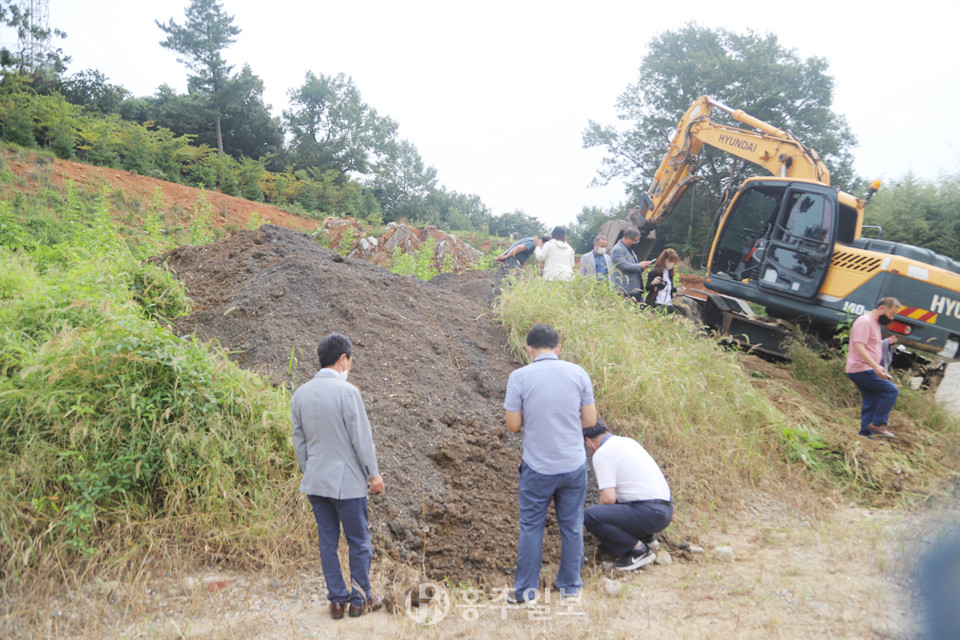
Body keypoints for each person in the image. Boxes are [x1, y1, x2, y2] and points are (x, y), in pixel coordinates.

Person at [292, 333, 386, 620]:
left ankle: (336, 600)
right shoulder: (348, 393)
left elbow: (300, 442)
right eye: (351, 361)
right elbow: (362, 439)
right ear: (343, 359)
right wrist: (374, 475)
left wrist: (311, 471)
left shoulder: (300, 394)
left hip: (316, 482)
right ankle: (359, 599)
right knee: (358, 541)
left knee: (327, 541)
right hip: (347, 485)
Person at [504, 324, 597, 603]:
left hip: (538, 466)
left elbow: (512, 425)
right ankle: (570, 589)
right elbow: (590, 421)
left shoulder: (519, 377)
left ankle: (526, 592)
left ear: (529, 348)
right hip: (573, 464)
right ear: (558, 348)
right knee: (571, 525)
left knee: (532, 527)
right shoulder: (578, 373)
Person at [582, 420, 672, 571]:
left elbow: (608, 498)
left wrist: (600, 521)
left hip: (649, 512)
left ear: (588, 441)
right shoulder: (627, 442)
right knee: (622, 499)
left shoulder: (602, 453)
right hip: (665, 510)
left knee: (590, 515)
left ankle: (638, 551)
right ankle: (648, 539)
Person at [845, 298, 901, 438]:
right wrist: (875, 367)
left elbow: (871, 345)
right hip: (861, 368)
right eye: (891, 314)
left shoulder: (874, 323)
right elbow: (859, 346)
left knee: (871, 400)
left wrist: (887, 343)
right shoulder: (865, 322)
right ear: (882, 309)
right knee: (891, 390)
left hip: (865, 368)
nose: (892, 318)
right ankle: (878, 424)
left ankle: (865, 434)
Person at [611, 228, 652, 302]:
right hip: (625, 289)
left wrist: (643, 267)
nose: (636, 243)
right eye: (635, 241)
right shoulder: (617, 249)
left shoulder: (630, 250)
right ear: (628, 238)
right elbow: (624, 266)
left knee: (643, 310)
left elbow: (633, 267)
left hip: (635, 289)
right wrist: (639, 265)